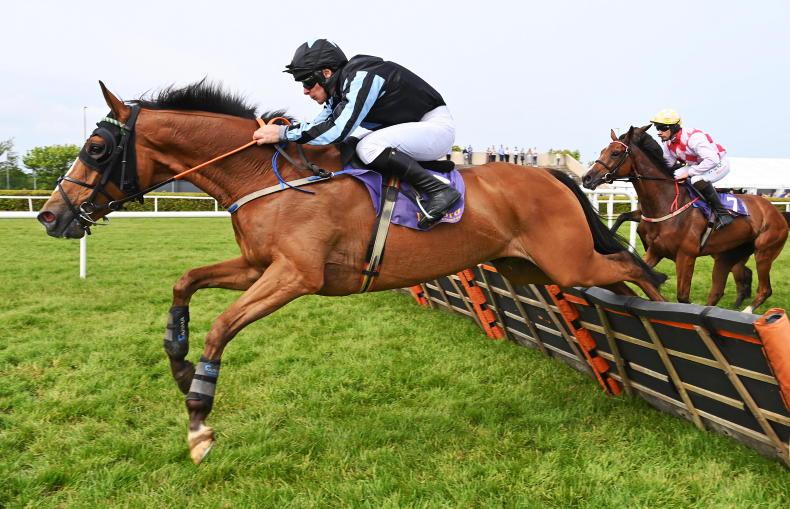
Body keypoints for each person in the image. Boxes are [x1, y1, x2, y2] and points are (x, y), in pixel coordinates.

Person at [253, 39, 460, 229]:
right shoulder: (340, 90)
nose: (305, 91)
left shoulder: (362, 77)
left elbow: (336, 130)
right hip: (416, 130)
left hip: (435, 128)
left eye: (307, 82)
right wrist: (282, 132)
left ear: (326, 73)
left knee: (367, 147)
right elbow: (318, 124)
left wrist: (283, 133)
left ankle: (439, 190)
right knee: (350, 145)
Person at [650, 108, 733, 229]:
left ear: (674, 127)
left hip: (718, 163)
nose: (659, 132)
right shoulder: (668, 142)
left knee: (696, 179)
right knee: (674, 176)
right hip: (699, 165)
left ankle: (723, 214)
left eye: (662, 128)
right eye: (657, 128)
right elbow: (667, 165)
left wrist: (689, 173)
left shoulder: (693, 138)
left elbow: (712, 160)